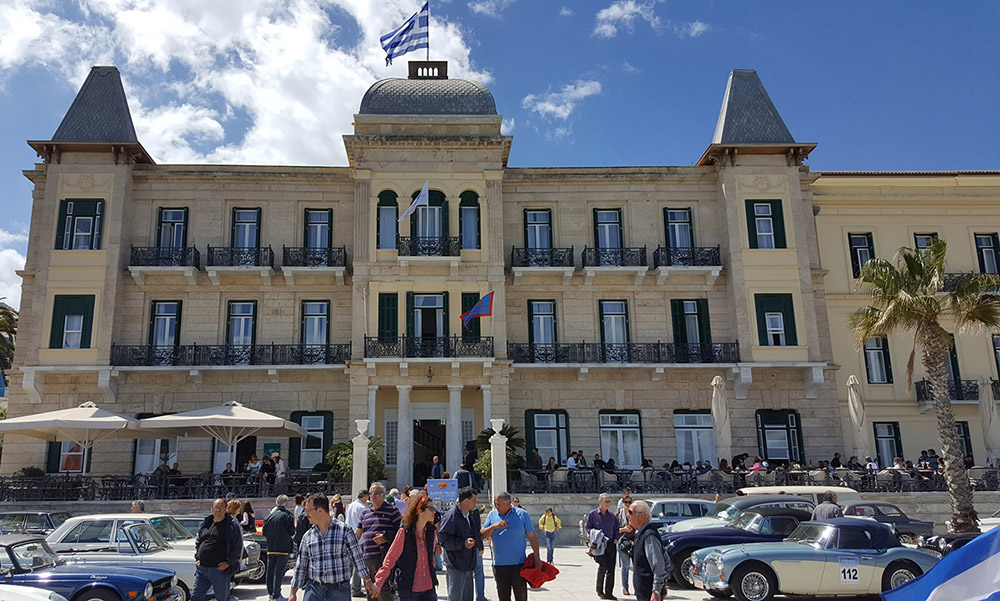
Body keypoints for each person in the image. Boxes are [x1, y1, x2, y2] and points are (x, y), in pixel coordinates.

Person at [289, 493, 374, 601]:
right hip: (314, 591)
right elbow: (301, 566)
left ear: (320, 510)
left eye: (308, 511)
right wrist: (293, 592)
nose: (306, 514)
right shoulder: (308, 537)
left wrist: (367, 580)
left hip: (339, 591)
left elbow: (357, 558)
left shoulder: (344, 531)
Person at [371, 494, 439, 601]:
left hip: (428, 588)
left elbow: (432, 558)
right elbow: (390, 558)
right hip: (408, 589)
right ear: (420, 511)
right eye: (431, 509)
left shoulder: (431, 533)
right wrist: (379, 582)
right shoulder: (404, 533)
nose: (434, 512)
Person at [481, 492, 541, 601]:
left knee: (521, 597)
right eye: (495, 504)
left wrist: (537, 558)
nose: (496, 507)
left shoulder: (522, 514)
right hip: (499, 566)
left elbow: (532, 537)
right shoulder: (492, 515)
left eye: (498, 504)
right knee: (503, 598)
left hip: (519, 565)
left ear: (508, 504)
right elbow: (481, 535)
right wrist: (494, 526)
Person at [356, 483, 402, 601]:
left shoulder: (393, 512)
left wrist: (386, 537)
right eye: (371, 493)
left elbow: (401, 534)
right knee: (370, 592)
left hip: (383, 559)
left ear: (384, 495)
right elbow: (358, 533)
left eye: (376, 493)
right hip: (367, 558)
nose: (373, 496)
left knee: (383, 592)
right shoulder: (365, 512)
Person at [191, 498, 243, 601]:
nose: (217, 510)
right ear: (212, 509)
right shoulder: (207, 522)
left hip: (219, 570)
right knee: (195, 597)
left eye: (220, 508)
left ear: (226, 509)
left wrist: (228, 563)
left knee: (222, 598)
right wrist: (198, 557)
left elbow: (238, 547)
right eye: (215, 508)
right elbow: (199, 542)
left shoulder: (231, 525)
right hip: (202, 569)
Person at [439, 486, 483, 601]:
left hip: (468, 564)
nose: (476, 503)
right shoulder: (451, 516)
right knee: (456, 597)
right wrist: (462, 543)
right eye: (474, 500)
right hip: (456, 565)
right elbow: (443, 540)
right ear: (466, 501)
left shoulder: (470, 515)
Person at [627, 501, 667, 601]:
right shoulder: (640, 533)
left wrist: (657, 590)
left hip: (649, 593)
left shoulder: (649, 536)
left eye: (631, 512)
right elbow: (667, 561)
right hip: (643, 592)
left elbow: (659, 564)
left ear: (641, 516)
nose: (628, 515)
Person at [586, 493, 619, 600]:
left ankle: (609, 592)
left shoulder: (612, 516)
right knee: (602, 567)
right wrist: (595, 535)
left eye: (609, 501)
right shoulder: (593, 514)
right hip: (600, 545)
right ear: (600, 502)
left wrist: (616, 539)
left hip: (610, 543)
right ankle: (599, 590)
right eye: (606, 501)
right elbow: (588, 528)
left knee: (611, 569)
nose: (608, 503)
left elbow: (616, 528)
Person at [263, 494, 295, 601]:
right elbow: (292, 532)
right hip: (283, 548)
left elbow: (264, 532)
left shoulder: (269, 516)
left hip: (271, 547)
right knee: (279, 573)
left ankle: (271, 594)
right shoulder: (288, 516)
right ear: (286, 504)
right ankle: (276, 595)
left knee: (270, 572)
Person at [345, 489, 370, 597]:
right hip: (359, 539)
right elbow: (364, 524)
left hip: (348, 538)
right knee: (358, 565)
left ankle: (346, 587)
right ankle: (356, 589)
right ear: (365, 496)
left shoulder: (350, 506)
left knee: (349, 565)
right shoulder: (362, 508)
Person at [616, 497, 635, 597]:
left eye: (629, 502)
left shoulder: (634, 513)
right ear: (622, 503)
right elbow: (615, 530)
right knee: (625, 567)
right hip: (623, 543)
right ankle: (625, 588)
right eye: (625, 502)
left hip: (634, 543)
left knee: (636, 567)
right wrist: (624, 529)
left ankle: (637, 587)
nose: (627, 504)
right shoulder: (619, 515)